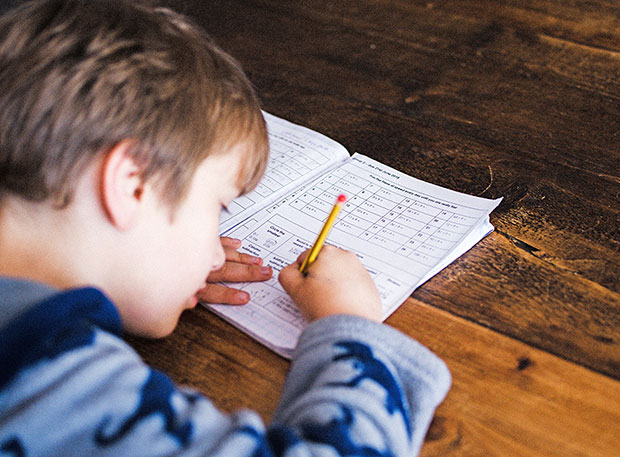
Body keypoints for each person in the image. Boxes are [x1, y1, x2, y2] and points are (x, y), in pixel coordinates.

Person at [0, 0, 451, 456]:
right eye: (218, 207)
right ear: (132, 185)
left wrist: (131, 275)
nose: (217, 254)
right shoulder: (56, 382)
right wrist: (349, 325)